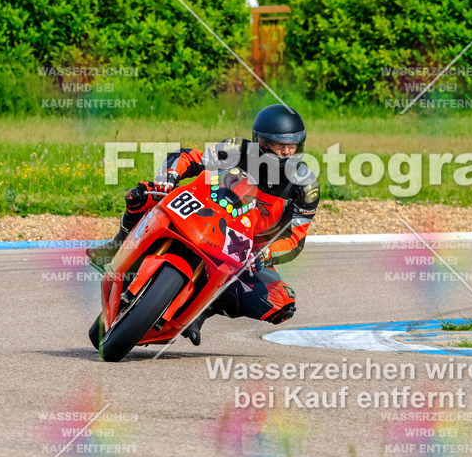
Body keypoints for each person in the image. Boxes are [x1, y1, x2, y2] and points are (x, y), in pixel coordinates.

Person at [86, 104, 319, 345]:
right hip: (202, 212)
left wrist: (266, 251)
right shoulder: (237, 149)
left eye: (293, 144)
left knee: (282, 302)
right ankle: (119, 243)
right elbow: (189, 158)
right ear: (261, 142)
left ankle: (202, 311)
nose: (287, 151)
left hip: (245, 250)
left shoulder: (305, 186)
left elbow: (295, 240)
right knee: (142, 194)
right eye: (279, 144)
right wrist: (168, 178)